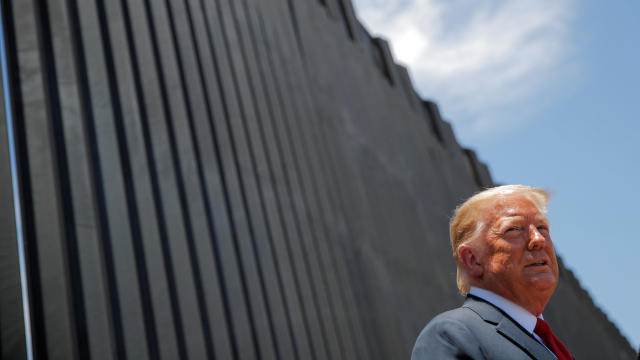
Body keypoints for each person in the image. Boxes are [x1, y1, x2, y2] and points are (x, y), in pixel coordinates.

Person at [411, 185, 573, 359]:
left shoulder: (550, 346)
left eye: (542, 228)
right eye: (513, 229)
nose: (539, 239)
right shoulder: (452, 335)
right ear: (473, 260)